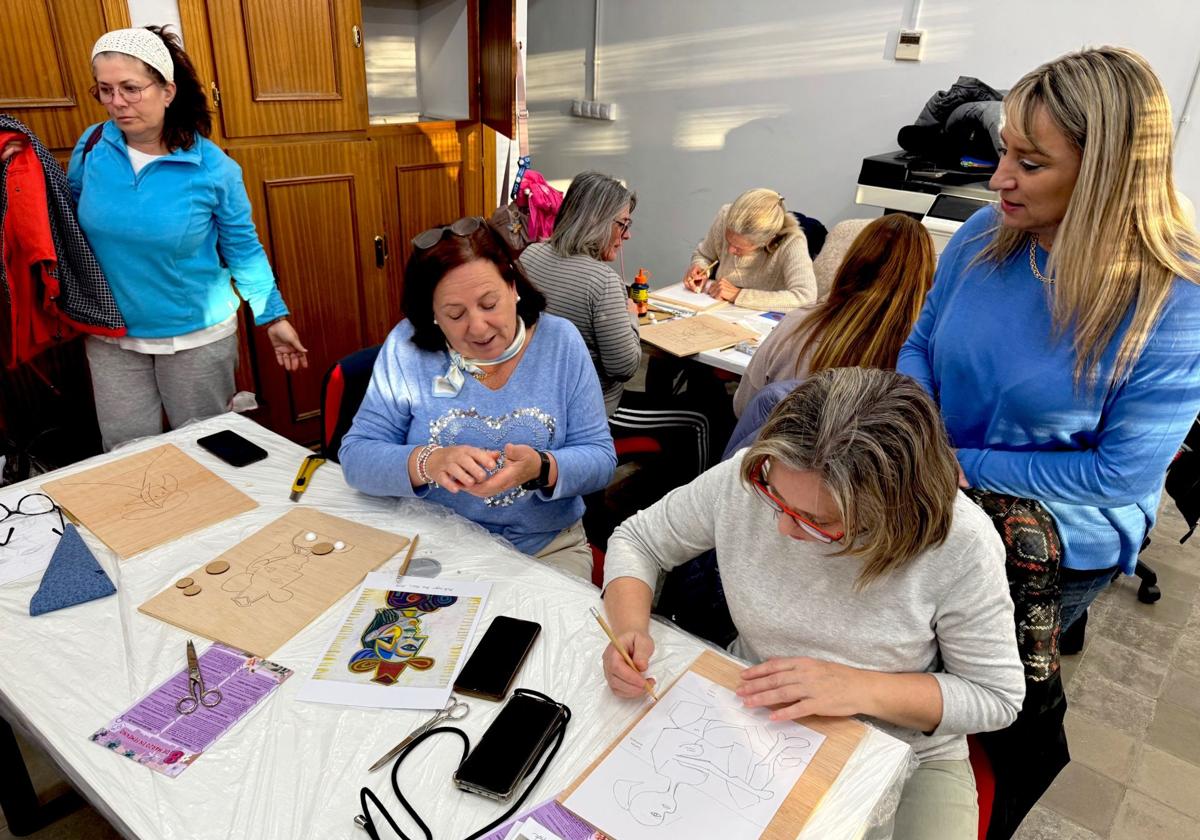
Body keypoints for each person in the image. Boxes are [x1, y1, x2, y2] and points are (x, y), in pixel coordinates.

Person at [897, 46, 1200, 835]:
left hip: (1051, 542)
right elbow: (921, 345)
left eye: (1030, 163)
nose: (998, 179)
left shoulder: (1175, 301)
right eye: (1002, 149)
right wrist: (921, 431)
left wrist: (955, 463)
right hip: (941, 490)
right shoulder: (984, 238)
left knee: (981, 703)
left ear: (1104, 175)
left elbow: (1120, 471)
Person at [600, 367, 1024, 839]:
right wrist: (628, 626)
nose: (783, 528)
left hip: (902, 746)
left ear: (892, 513)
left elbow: (996, 697)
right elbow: (640, 540)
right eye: (775, 499)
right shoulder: (751, 480)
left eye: (819, 520)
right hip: (754, 711)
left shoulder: (958, 542)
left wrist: (860, 688)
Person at [68, 26, 307, 451]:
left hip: (194, 338)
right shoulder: (91, 146)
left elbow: (243, 249)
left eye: (130, 88)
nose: (116, 103)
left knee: (206, 449)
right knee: (125, 452)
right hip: (112, 336)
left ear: (167, 90)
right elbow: (69, 221)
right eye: (104, 90)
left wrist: (272, 317)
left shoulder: (212, 168)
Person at [339, 216, 616, 580]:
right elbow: (356, 457)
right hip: (436, 545)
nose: (478, 327)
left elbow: (601, 459)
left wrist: (542, 467)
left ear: (513, 287)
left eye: (489, 304)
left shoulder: (560, 343)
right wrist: (428, 461)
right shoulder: (407, 349)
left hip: (546, 548)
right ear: (433, 316)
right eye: (455, 315)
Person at [732, 213, 935, 418]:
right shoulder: (922, 359)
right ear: (926, 277)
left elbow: (744, 407)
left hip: (776, 445)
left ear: (852, 260)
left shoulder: (799, 324)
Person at [519, 172, 639, 416]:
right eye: (622, 224)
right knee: (700, 421)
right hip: (588, 414)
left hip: (533, 399)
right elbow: (624, 368)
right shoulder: (603, 282)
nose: (627, 235)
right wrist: (631, 317)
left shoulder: (528, 256)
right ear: (596, 221)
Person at [683, 188, 817, 310]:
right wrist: (700, 267)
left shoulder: (792, 242)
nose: (729, 251)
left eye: (738, 247)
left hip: (760, 319)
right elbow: (704, 255)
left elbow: (806, 297)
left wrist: (738, 295)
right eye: (729, 241)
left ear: (767, 240)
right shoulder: (725, 217)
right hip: (715, 306)